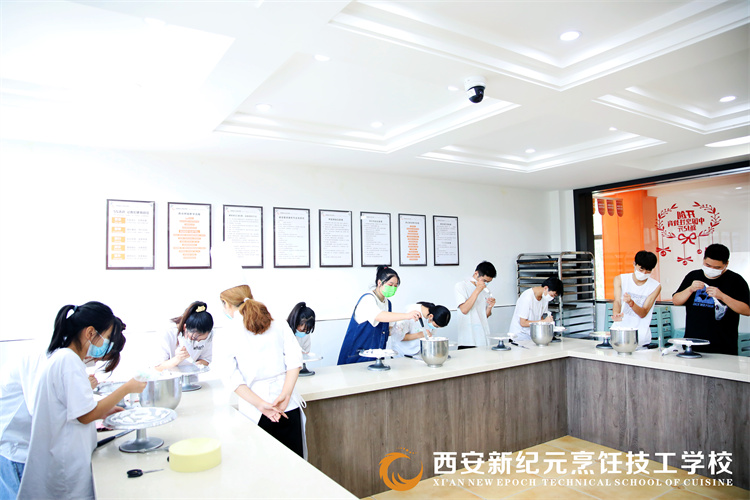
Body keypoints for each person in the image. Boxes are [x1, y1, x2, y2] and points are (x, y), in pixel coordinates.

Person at [16, 302, 146, 500]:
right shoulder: (68, 361)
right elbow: (85, 416)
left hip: (67, 458)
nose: (106, 345)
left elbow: (76, 410)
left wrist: (105, 410)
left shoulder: (65, 358)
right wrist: (127, 388)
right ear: (90, 332)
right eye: (107, 338)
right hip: (66, 465)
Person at [219, 285, 306, 458]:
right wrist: (286, 395)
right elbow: (295, 361)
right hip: (288, 407)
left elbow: (230, 377)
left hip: (256, 412)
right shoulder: (277, 322)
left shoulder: (227, 332)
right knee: (294, 466)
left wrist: (260, 404)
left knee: (263, 468)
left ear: (226, 304)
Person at [672, 244, 750, 355]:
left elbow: (747, 310)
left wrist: (722, 296)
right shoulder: (693, 276)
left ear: (726, 264)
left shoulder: (736, 280)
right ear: (703, 260)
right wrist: (690, 289)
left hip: (724, 347)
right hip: (693, 345)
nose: (711, 269)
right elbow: (676, 301)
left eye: (717, 267)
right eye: (708, 265)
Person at [337, 266, 421, 365]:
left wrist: (400, 330)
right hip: (357, 355)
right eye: (390, 284)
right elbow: (378, 316)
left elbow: (387, 330)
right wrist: (407, 315)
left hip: (376, 356)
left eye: (395, 286)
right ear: (379, 283)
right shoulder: (368, 299)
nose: (393, 288)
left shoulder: (387, 303)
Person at [612, 251, 662, 348]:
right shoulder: (620, 279)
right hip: (619, 333)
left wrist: (631, 303)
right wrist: (616, 314)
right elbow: (617, 301)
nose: (644, 273)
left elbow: (643, 313)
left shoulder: (655, 286)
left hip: (641, 337)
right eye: (641, 268)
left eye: (648, 270)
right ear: (634, 264)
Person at [154, 301, 214, 371]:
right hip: (169, 375)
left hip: (191, 375)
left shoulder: (208, 334)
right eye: (194, 338)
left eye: (202, 339)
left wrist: (197, 365)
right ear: (185, 327)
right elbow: (158, 367)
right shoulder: (168, 332)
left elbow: (206, 359)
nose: (198, 342)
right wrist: (177, 359)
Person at [454, 261, 497, 348]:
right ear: (476, 274)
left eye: (488, 282)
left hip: (483, 336)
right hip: (468, 339)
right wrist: (477, 290)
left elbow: (485, 316)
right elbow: (464, 310)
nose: (486, 284)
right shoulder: (461, 286)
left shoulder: (485, 291)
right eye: (484, 280)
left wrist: (490, 307)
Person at [508, 277, 564, 341]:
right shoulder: (527, 297)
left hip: (531, 335)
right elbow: (523, 323)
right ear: (546, 288)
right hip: (519, 336)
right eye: (552, 295)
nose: (552, 297)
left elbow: (540, 317)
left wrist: (547, 324)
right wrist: (544, 322)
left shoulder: (544, 298)